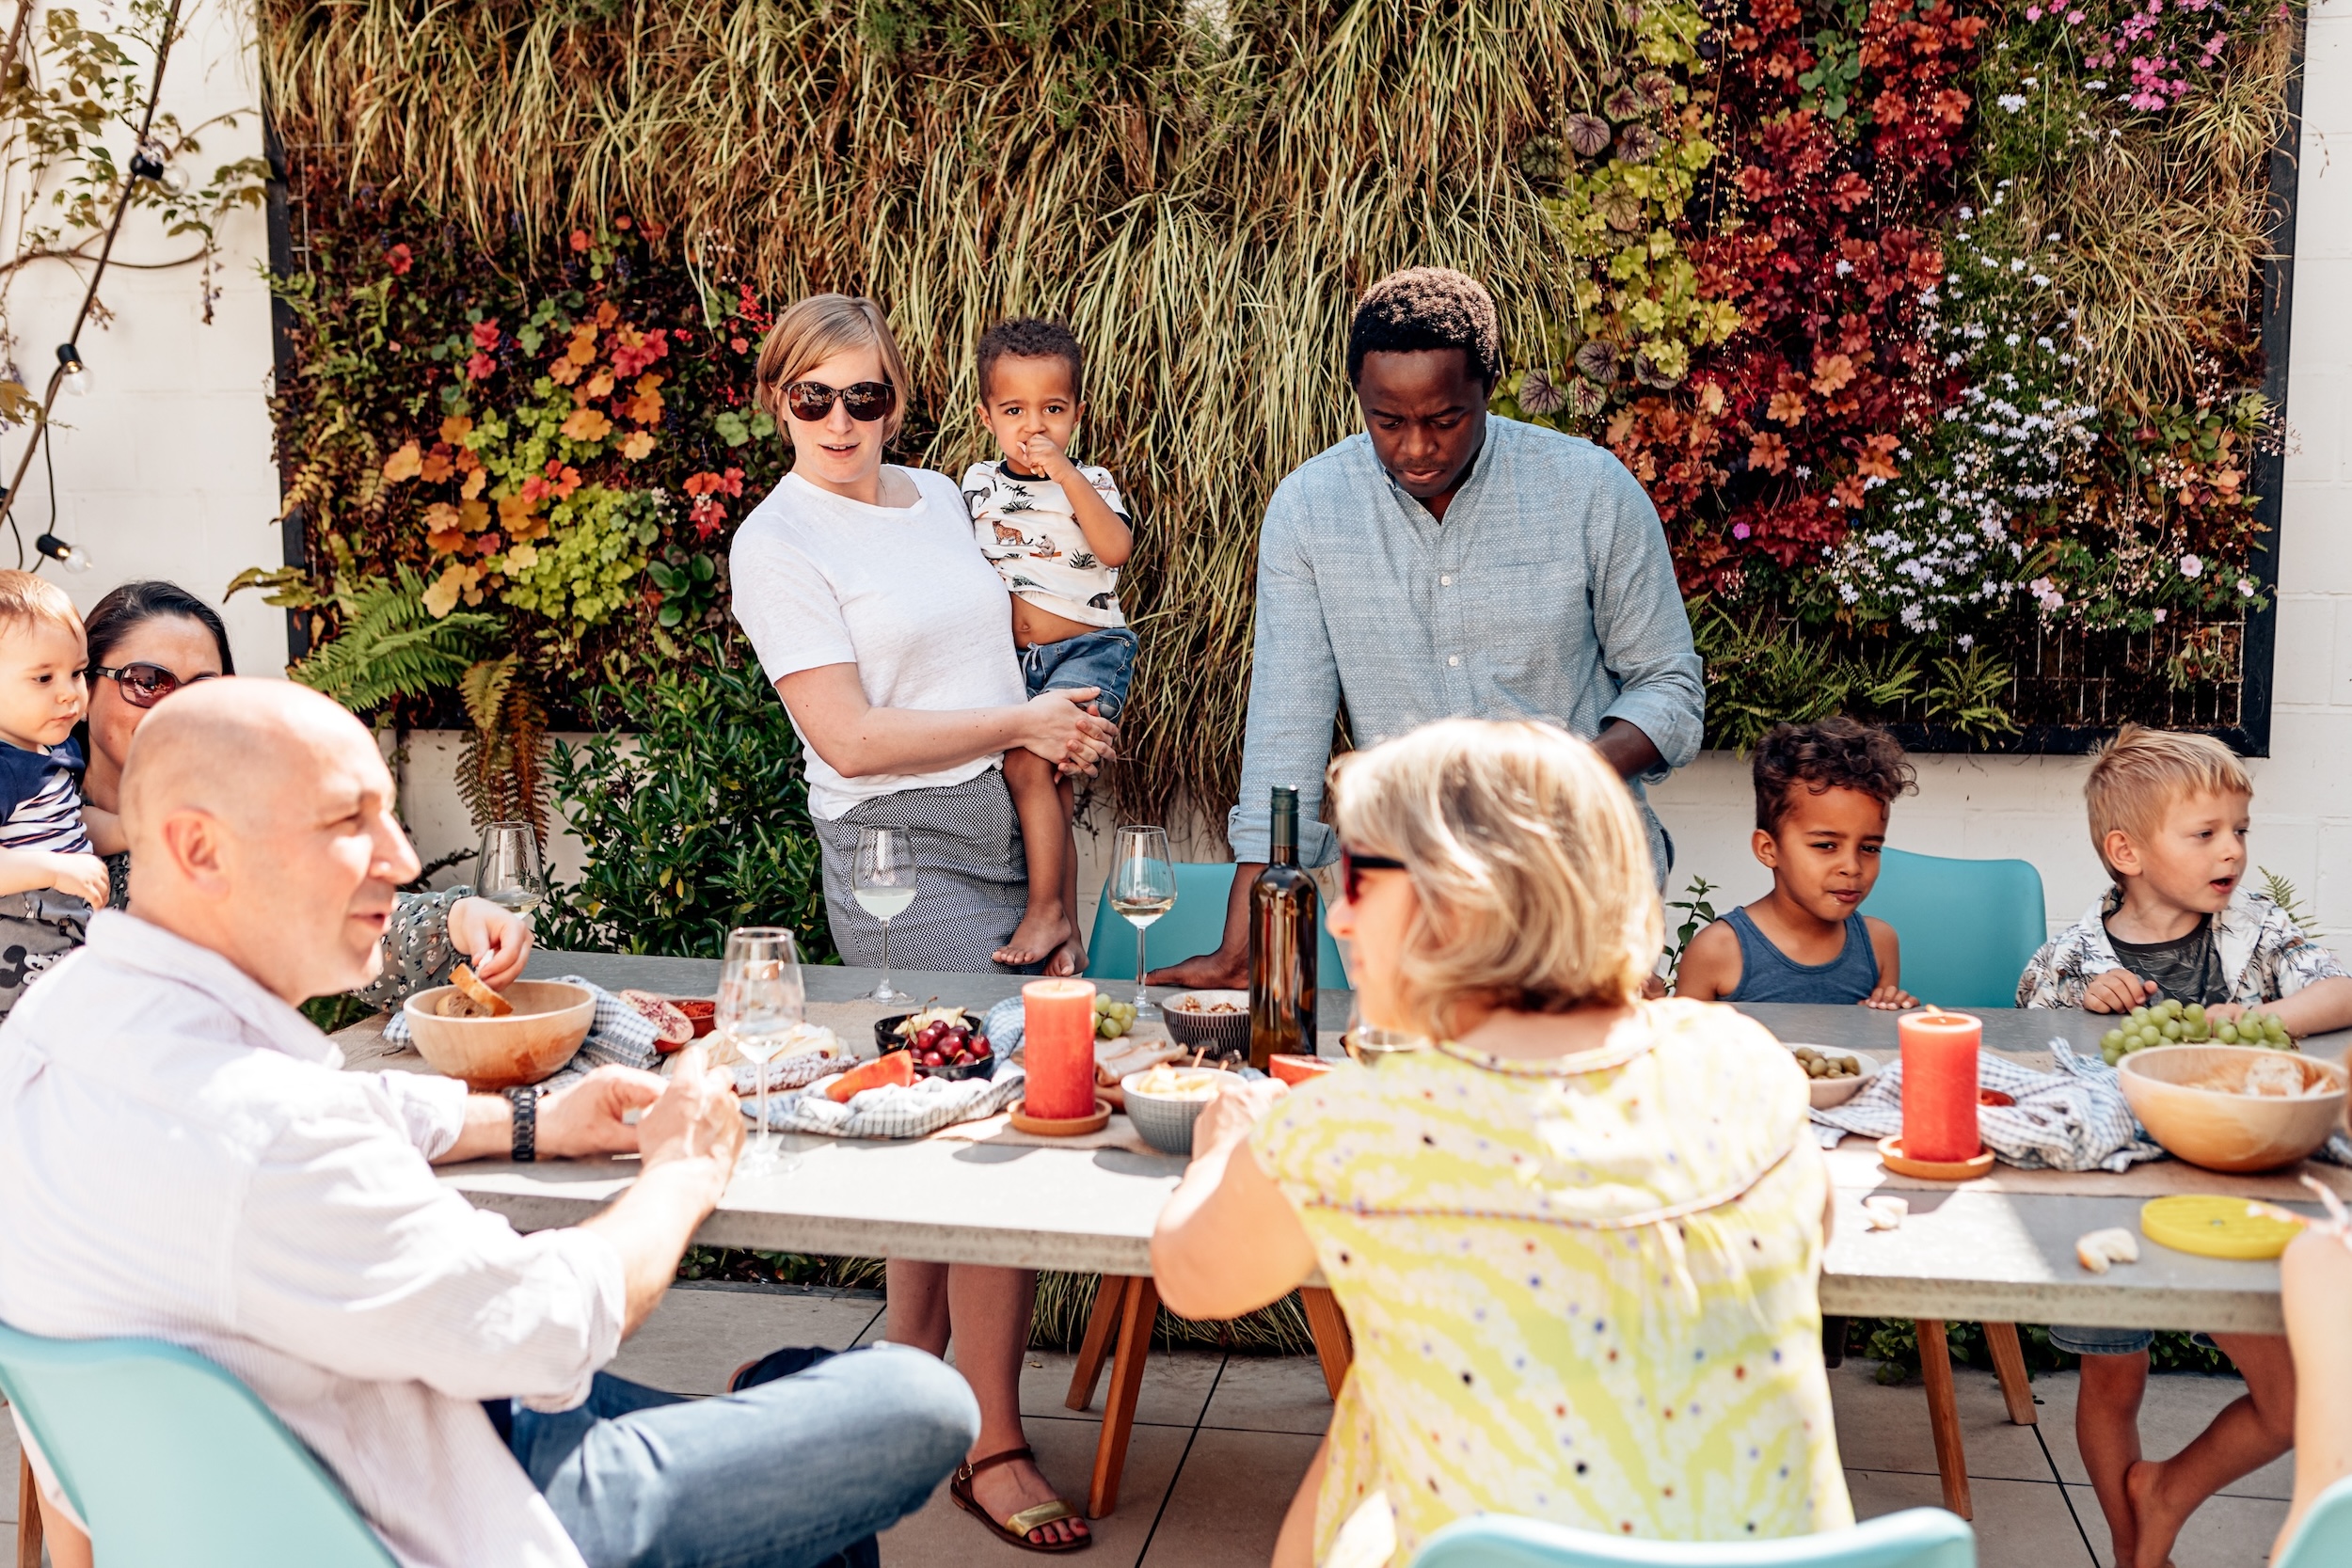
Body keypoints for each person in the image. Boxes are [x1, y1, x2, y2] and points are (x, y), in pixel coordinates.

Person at [0, 678, 979, 1568]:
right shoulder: (268, 1134)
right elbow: (544, 1325)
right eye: (352, 819)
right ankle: (783, 1400)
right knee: (912, 1402)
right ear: (199, 845)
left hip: (279, 1490)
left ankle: (779, 1418)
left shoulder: (62, 1020)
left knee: (810, 1486)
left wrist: (530, 1121)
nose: (405, 856)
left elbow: (333, 1109)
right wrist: (682, 1171)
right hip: (449, 1508)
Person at [1152, 719, 1850, 1568]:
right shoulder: (1744, 1061)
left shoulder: (1357, 1128)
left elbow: (1194, 1280)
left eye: (1361, 881)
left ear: (1462, 902)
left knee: (1366, 1423)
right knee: (1377, 1403)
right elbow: (1811, 1231)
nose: (1336, 917)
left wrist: (1220, 1155)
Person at [729, 293, 1116, 1552]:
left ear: (900, 398)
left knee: (944, 1122)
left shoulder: (942, 498)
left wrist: (1062, 717)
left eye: (868, 395)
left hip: (1011, 818)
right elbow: (843, 733)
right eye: (814, 396)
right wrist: (1019, 726)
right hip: (900, 856)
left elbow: (1016, 627)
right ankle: (987, 1440)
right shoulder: (779, 542)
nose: (843, 421)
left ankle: (908, 1383)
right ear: (776, 398)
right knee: (989, 1126)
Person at [1152, 267, 1703, 991]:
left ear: (1487, 391)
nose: (1416, 448)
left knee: (1566, 1096)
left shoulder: (1590, 490)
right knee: (1416, 1100)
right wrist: (1248, 939)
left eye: (1445, 420)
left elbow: (1670, 686)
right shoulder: (1309, 510)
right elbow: (1286, 735)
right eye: (1389, 421)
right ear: (1359, 398)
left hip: (1577, 881)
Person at [2018, 724, 2352, 1568]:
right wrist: (2083, 999)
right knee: (2113, 1378)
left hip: (2235, 1198)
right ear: (2125, 850)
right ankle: (2138, 1550)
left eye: (2239, 830)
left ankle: (2165, 1490)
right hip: (2111, 1203)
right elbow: (2026, 1031)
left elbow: (2341, 990)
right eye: (2204, 833)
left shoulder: (2256, 934)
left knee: (2291, 1398)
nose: (2231, 850)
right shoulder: (2074, 958)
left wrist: (2254, 1017)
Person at [76, 578, 530, 1000]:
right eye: (147, 682)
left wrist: (455, 922)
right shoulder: (18, 811)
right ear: (80, 687)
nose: (176, 708)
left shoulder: (231, 817)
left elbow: (318, 912)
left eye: (204, 688)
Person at [962, 318, 1136, 974]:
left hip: (1087, 652)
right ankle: (1066, 930)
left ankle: (1042, 910)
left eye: (1053, 410)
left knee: (1028, 768)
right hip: (1015, 664)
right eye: (1014, 410)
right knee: (1053, 784)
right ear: (987, 416)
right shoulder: (976, 485)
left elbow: (1115, 549)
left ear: (1077, 413)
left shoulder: (1090, 480)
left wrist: (1065, 475)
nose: (1034, 427)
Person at [1675, 718, 1919, 1007]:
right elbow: (1681, 1047)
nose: (1852, 867)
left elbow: (1874, 1050)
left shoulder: (1879, 944)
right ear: (1769, 849)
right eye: (1826, 845)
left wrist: (1888, 1013)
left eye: (1869, 847)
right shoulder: (1719, 950)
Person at [0, 571, 112, 1012]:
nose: (69, 693)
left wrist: (134, 829)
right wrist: (52, 869)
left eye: (77, 673)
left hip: (68, 932)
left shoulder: (54, 746)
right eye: (43, 679)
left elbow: (68, 820)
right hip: (20, 948)